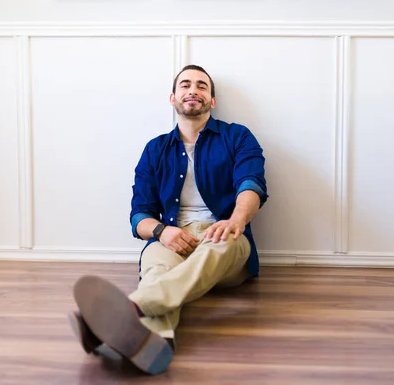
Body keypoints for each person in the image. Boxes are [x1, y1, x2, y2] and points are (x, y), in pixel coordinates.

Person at [67, 65, 268, 375]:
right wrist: (161, 231)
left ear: (211, 101)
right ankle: (155, 343)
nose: (193, 90)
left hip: (225, 236)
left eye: (202, 86)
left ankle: (131, 308)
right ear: (173, 97)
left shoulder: (237, 136)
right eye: (185, 84)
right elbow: (139, 217)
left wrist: (235, 221)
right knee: (156, 268)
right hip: (173, 235)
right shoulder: (155, 149)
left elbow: (251, 184)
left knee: (218, 246)